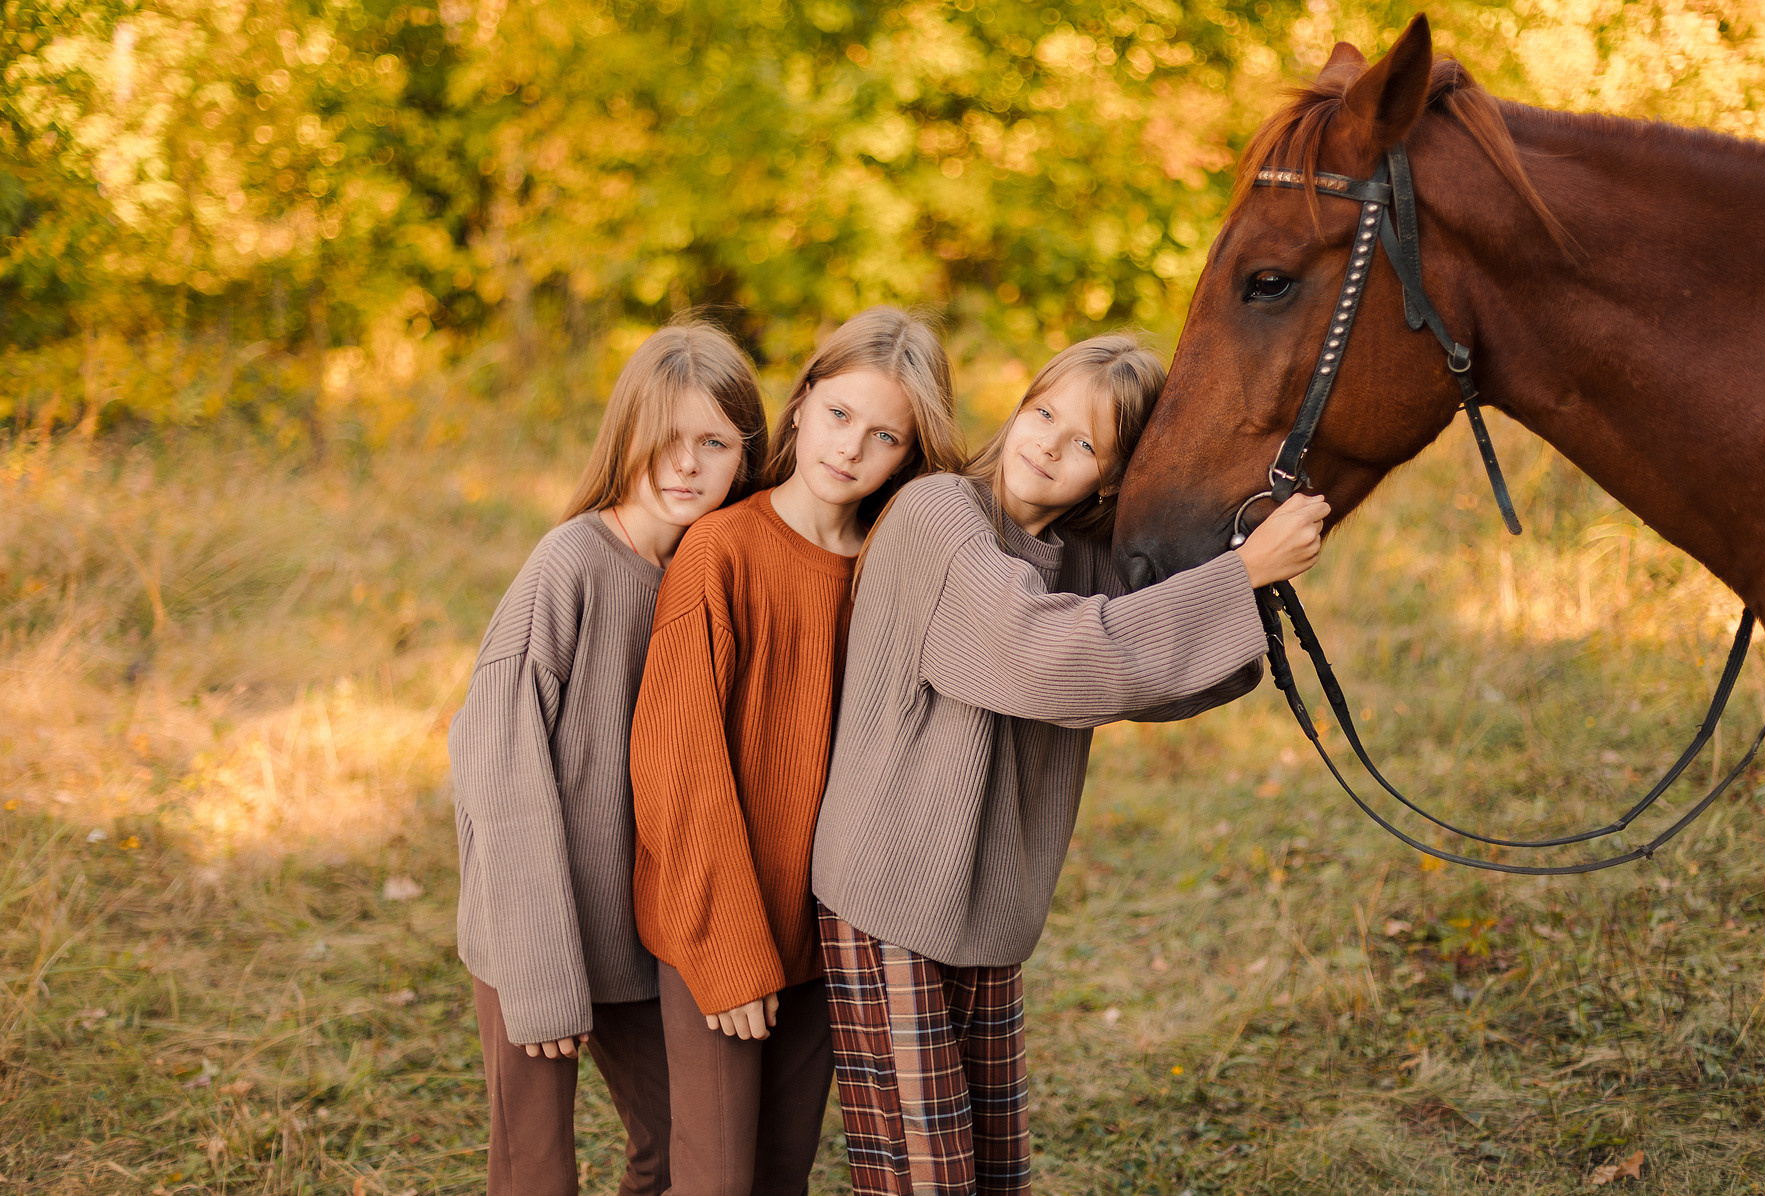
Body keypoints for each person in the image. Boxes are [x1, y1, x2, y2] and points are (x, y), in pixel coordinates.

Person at [809, 333, 1331, 1195]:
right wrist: (1236, 580)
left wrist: (1249, 559)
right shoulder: (939, 513)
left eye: (1084, 442)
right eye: (1042, 412)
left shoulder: (1085, 561)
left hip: (989, 906)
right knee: (923, 1178)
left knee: (995, 1172)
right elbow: (1044, 656)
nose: (1047, 443)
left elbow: (1153, 676)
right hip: (889, 897)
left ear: (1114, 478)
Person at [629, 306, 964, 1196]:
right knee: (716, 1174)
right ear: (802, 403)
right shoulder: (721, 552)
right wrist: (730, 951)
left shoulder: (892, 569)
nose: (851, 449)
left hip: (831, 931)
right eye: (840, 414)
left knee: (782, 1172)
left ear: (910, 454)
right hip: (719, 925)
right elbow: (678, 767)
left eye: (884, 434)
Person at [448, 322, 768, 1196]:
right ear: (622, 435)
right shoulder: (571, 565)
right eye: (663, 438)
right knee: (535, 1166)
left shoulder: (711, 572)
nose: (685, 465)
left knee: (675, 1145)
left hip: (640, 933)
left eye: (713, 442)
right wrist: (540, 971)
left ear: (747, 453)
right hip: (535, 926)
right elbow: (499, 775)